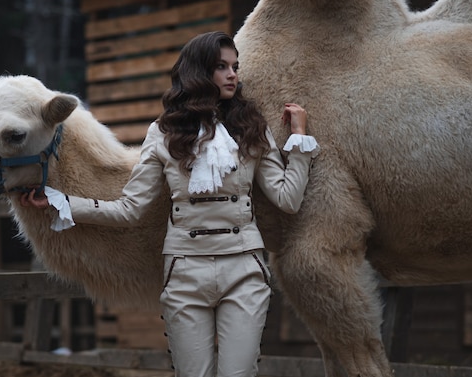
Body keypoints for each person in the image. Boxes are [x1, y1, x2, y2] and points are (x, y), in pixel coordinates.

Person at [20, 31, 319, 377]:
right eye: (221, 66)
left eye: (234, 66)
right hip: (184, 272)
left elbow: (288, 198)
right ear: (197, 72)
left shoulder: (251, 128)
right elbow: (130, 209)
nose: (233, 74)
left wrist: (298, 139)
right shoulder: (163, 133)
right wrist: (61, 202)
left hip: (244, 268)